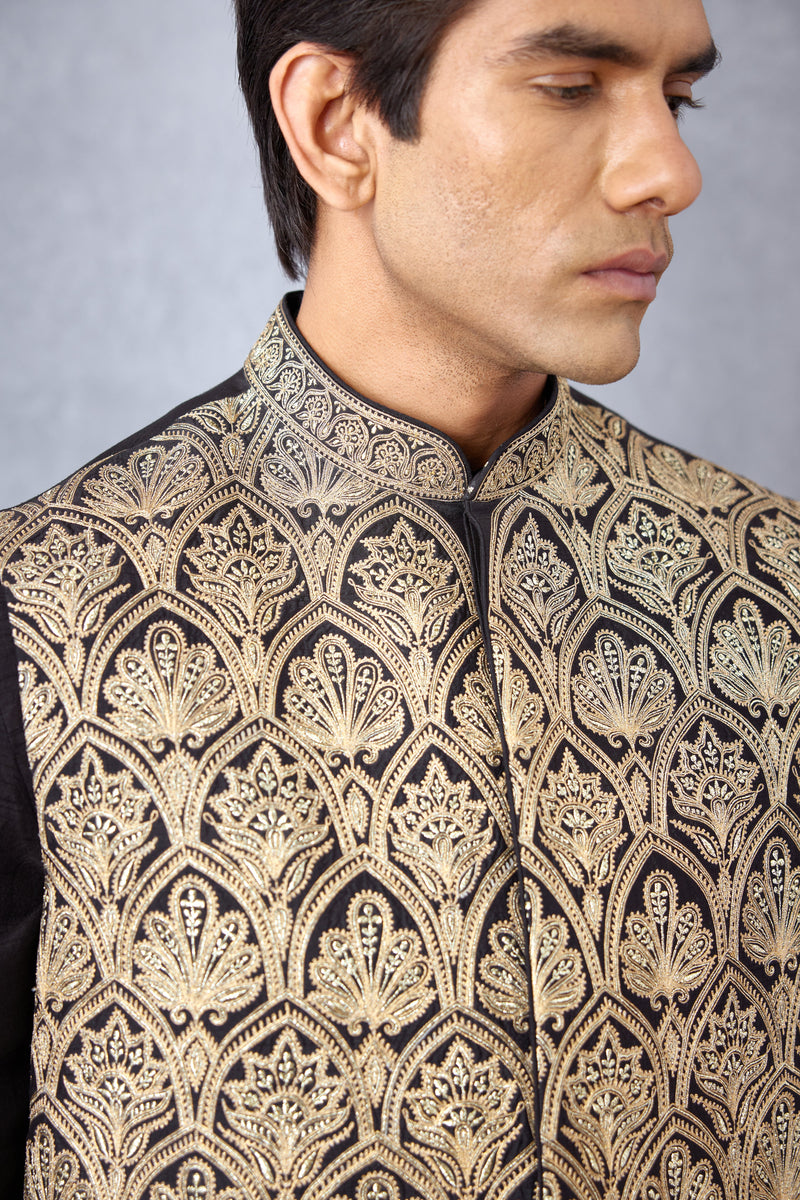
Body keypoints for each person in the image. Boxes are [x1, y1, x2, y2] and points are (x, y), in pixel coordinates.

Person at [1, 0, 798, 1196]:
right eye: (570, 87)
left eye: (676, 100)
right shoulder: (42, 604)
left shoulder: (770, 583)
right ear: (336, 123)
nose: (669, 174)